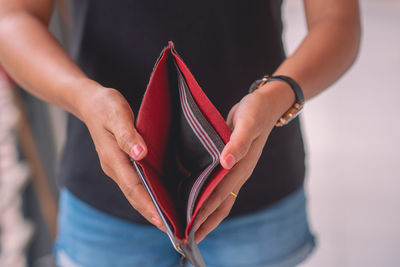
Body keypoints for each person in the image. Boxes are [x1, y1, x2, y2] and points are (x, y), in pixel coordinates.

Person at [0, 0, 361, 266]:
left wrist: (278, 94)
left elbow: (337, 19)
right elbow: (14, 16)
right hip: (107, 185)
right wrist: (82, 98)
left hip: (257, 176)